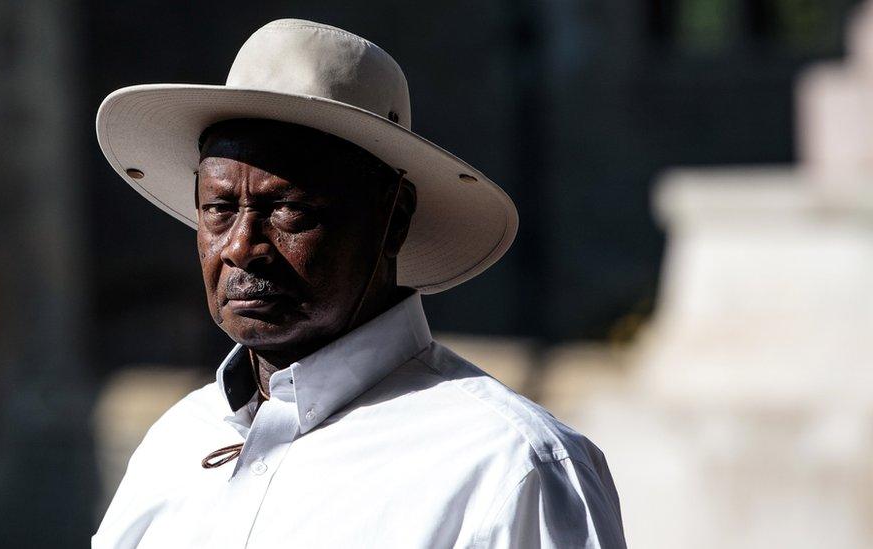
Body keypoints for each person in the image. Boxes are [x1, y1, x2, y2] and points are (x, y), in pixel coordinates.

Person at [92, 18, 625, 549]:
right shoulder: (177, 443)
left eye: (290, 210)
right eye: (218, 209)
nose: (239, 247)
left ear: (392, 219)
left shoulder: (508, 468)